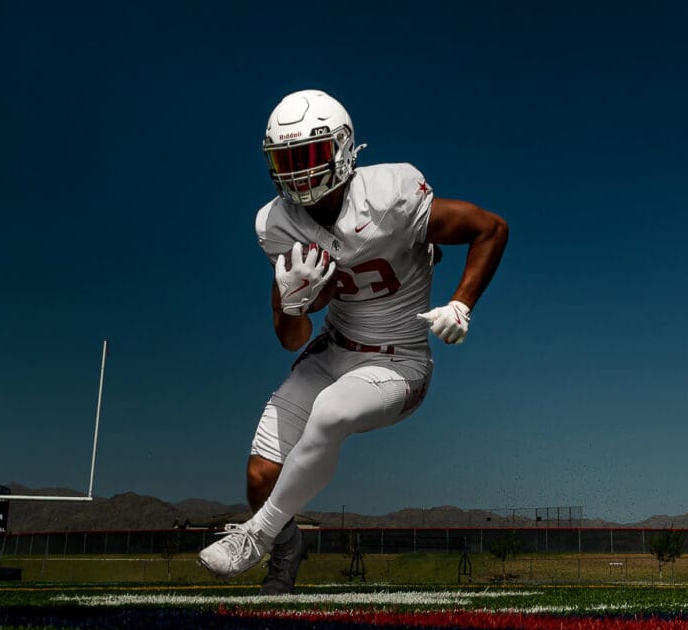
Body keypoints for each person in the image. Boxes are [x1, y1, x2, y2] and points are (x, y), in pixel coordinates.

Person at [198, 89, 508, 592]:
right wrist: (294, 303)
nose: (297, 173)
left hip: (398, 361)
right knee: (259, 477)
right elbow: (289, 337)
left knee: (331, 413)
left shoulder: (391, 194)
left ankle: (254, 538)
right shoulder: (276, 224)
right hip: (333, 351)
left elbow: (491, 228)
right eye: (285, 161)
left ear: (341, 148)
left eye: (307, 157)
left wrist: (461, 303)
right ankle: (287, 545)